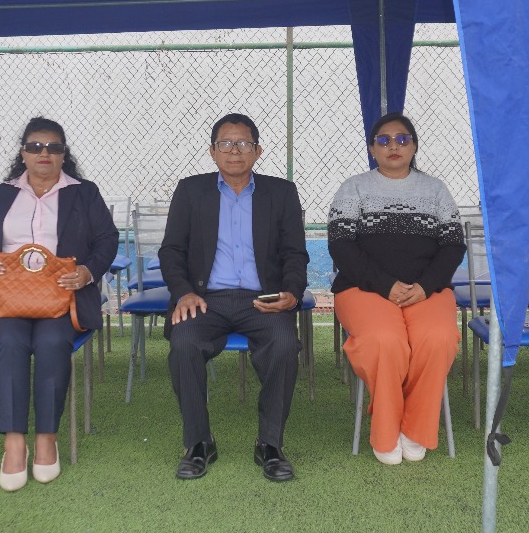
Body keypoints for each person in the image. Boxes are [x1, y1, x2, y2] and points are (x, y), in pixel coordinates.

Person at [0, 117, 117, 492]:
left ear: (64, 154)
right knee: (11, 342)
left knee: (51, 342)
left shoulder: (84, 193)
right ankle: (14, 443)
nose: (44, 153)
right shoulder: (3, 194)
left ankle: (47, 437)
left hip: (63, 295)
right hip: (10, 296)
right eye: (35, 147)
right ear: (23, 153)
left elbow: (107, 240)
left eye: (53, 147)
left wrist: (87, 272)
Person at [161, 113, 309, 482]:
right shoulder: (191, 191)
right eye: (225, 143)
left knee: (283, 343)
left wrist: (291, 293)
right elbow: (171, 250)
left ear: (258, 150)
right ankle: (199, 443)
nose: (234, 151)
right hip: (205, 299)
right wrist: (183, 293)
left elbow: (295, 253)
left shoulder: (281, 193)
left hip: (262, 299)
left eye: (243, 143)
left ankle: (269, 444)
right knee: (184, 342)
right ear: (212, 151)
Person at [328, 112, 464, 465]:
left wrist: (425, 286)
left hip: (427, 291)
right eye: (384, 140)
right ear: (372, 148)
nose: (394, 146)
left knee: (438, 338)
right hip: (363, 290)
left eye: (402, 139)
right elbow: (341, 245)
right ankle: (386, 431)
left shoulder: (435, 189)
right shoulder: (354, 188)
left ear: (414, 146)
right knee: (383, 340)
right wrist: (385, 286)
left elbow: (453, 245)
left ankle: (415, 428)